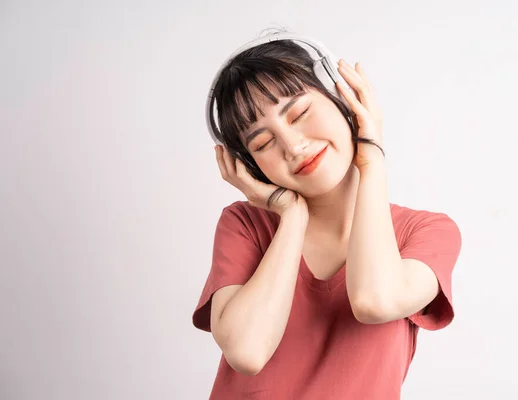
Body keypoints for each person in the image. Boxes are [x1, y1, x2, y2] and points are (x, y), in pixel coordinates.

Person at [192, 31, 462, 399]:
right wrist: (291, 217)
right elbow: (247, 351)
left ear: (344, 100)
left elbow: (375, 300)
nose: (293, 145)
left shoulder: (427, 232)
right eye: (263, 143)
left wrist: (373, 158)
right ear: (252, 168)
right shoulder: (245, 226)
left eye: (300, 113)